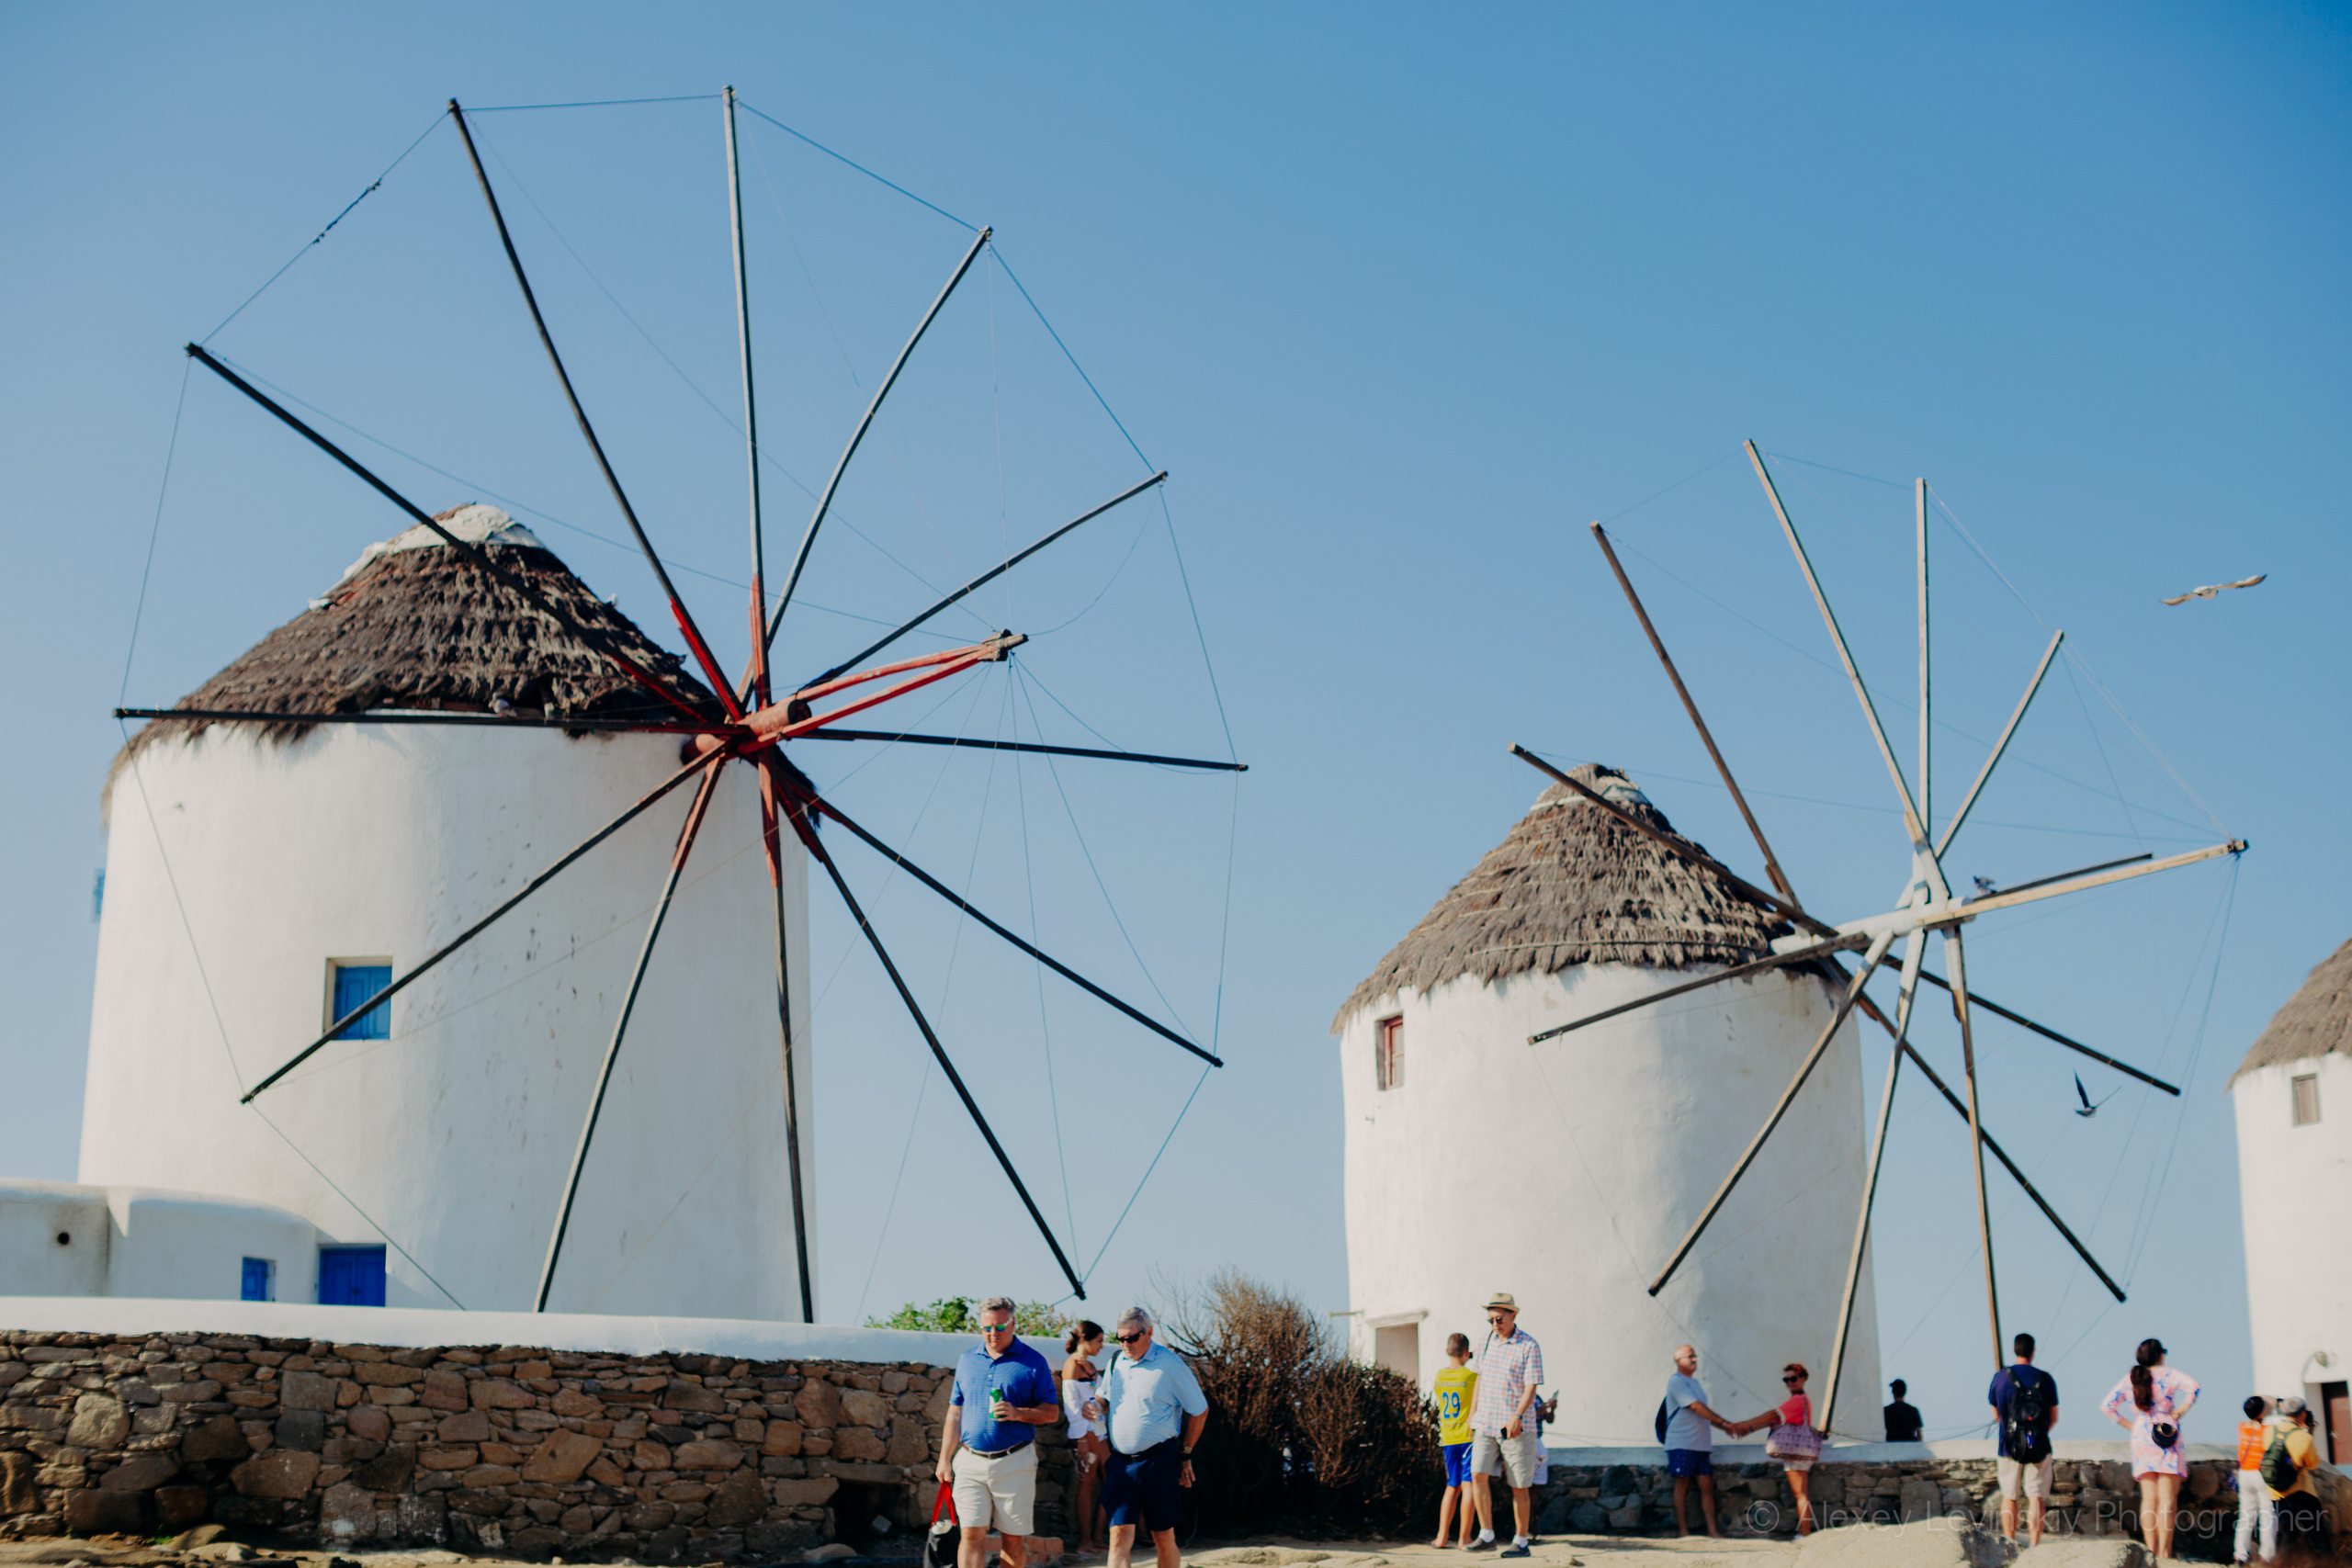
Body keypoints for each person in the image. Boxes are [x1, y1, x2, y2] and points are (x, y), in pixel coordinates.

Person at [935, 1297, 1062, 1568]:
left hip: (1014, 1461)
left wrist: (1018, 1413)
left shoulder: (1033, 1361)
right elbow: (954, 1413)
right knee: (970, 1535)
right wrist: (944, 1459)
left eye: (1000, 1327)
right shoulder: (967, 1359)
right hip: (969, 1461)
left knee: (1012, 1539)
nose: (993, 1333)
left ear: (1013, 1324)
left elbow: (1051, 1413)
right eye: (986, 1328)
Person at [1081, 1307, 1208, 1568]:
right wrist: (1095, 1405)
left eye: (1132, 1338)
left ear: (1149, 1332)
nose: (1125, 1344)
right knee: (1118, 1535)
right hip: (1120, 1463)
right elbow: (1103, 1396)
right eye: (1120, 1338)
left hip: (1158, 1461)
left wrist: (1186, 1452)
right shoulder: (1117, 1361)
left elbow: (1199, 1410)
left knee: (1162, 1536)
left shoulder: (1171, 1364)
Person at [2101, 1337, 2199, 1561]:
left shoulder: (2132, 1377)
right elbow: (2194, 1387)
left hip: (2141, 1436)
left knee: (2149, 1499)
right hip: (2166, 1434)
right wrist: (2180, 1411)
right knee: (2167, 1500)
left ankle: (2150, 1551)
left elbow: (2107, 1406)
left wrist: (2133, 1426)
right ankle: (2165, 1553)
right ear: (2160, 1355)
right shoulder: (2169, 1374)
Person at [1465, 1292, 1544, 1557]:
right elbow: (1479, 1377)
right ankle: (1486, 1535)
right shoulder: (1486, 1340)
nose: (1495, 1324)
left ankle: (1521, 1541)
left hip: (1515, 1427)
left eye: (1499, 1319)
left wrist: (1518, 1416)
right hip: (1486, 1422)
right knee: (1477, 1474)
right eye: (1491, 1320)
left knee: (1519, 1485)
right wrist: (1472, 1414)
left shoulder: (1528, 1346)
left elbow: (1531, 1386)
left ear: (1513, 1315)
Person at [1724, 1363, 1820, 1536]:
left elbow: (1774, 1416)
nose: (1790, 1382)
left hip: (1796, 1453)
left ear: (1802, 1378)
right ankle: (1804, 1531)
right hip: (1800, 1452)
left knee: (1800, 1494)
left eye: (1793, 1378)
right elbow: (1775, 1419)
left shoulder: (1798, 1400)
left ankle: (1804, 1533)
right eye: (1786, 1380)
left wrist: (1746, 1425)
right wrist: (1750, 1428)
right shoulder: (1802, 1400)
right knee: (1801, 1494)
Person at [1989, 1332, 2061, 1549]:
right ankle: (2035, 1545)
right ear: (2033, 1352)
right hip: (2039, 1445)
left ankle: (2010, 1542)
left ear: (2015, 1350)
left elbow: (1996, 1415)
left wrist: (2013, 1433)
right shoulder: (2045, 1379)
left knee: (2010, 1496)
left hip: (2008, 1445)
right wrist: (2037, 1434)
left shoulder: (2000, 1378)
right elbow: (2054, 1417)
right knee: (2036, 1497)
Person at [1662, 1344, 1733, 1539]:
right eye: (1690, 1356)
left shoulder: (1694, 1384)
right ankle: (1683, 1531)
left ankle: (1712, 1531)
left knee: (1707, 1488)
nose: (1694, 1359)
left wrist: (1725, 1427)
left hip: (1700, 1445)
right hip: (1682, 1443)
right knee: (1682, 1486)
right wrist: (1724, 1423)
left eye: (1694, 1356)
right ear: (1679, 1361)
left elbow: (1703, 1412)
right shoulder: (1676, 1382)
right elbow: (1695, 1407)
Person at [1061, 1321, 1108, 1557]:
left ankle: (1098, 1537)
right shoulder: (1071, 1366)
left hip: (1099, 1431)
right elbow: (1071, 1405)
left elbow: (1101, 1397)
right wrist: (1080, 1438)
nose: (1102, 1345)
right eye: (1099, 1340)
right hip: (1086, 1433)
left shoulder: (1089, 1365)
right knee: (1087, 1485)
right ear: (1085, 1339)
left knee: (1112, 1481)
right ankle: (1085, 1542)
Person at [2263, 1397, 2330, 1557]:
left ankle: (2284, 1564)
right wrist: (2309, 1433)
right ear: (2303, 1414)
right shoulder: (2304, 1438)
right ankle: (2329, 1563)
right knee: (2317, 1532)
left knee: (2290, 1533)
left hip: (2275, 1492)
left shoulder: (2269, 1431)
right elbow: (2312, 1464)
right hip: (2300, 1491)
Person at [1431, 1333, 1479, 1549]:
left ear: (1447, 1351)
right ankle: (1464, 1538)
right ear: (1467, 1353)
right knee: (1468, 1486)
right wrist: (1474, 1358)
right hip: (1467, 1436)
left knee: (1452, 1486)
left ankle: (1441, 1537)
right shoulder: (1471, 1376)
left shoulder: (1440, 1376)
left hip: (1448, 1436)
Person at [2232, 1394, 2277, 1565]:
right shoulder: (2268, 1430)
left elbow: (2258, 1409)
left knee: (2245, 1516)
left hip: (2244, 1473)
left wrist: (2260, 1407)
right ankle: (2266, 1556)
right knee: (2268, 1515)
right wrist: (2274, 1404)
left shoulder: (2242, 1427)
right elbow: (2271, 1402)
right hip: (2261, 1474)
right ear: (2262, 1412)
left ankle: (2240, 1555)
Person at [1883, 1380, 1923, 1444]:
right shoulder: (1913, 1410)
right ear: (1905, 1392)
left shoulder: (1886, 1411)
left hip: (1892, 1447)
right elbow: (1919, 1435)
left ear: (1893, 1392)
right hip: (1910, 1446)